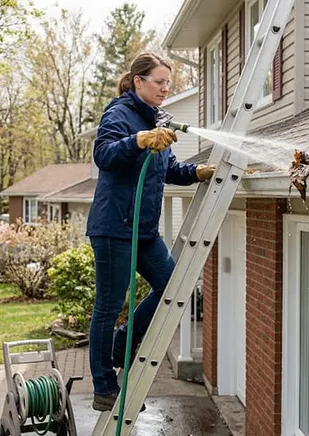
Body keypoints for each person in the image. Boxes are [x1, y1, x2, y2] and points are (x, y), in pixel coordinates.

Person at [85, 51, 215, 412]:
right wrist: (138, 140)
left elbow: (166, 168)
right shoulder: (120, 114)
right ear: (138, 81)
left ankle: (121, 344)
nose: (164, 89)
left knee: (173, 287)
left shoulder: (154, 119)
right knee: (108, 307)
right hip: (114, 228)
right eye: (159, 82)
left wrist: (195, 173)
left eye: (168, 84)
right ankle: (104, 387)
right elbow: (104, 155)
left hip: (143, 230)